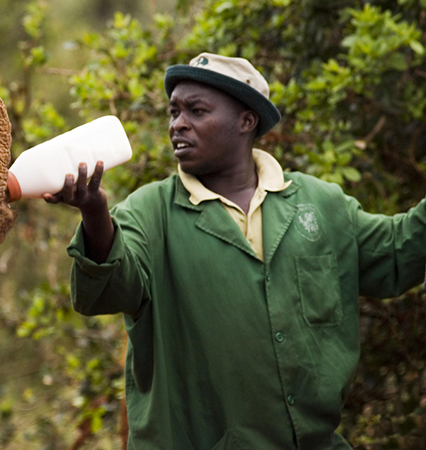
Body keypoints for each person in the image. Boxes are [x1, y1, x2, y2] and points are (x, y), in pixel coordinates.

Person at [44, 52, 426, 449]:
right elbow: (109, 289)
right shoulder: (150, 213)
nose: (178, 124)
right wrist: (94, 213)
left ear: (246, 121)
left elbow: (399, 255)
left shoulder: (319, 204)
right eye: (174, 111)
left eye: (197, 110)